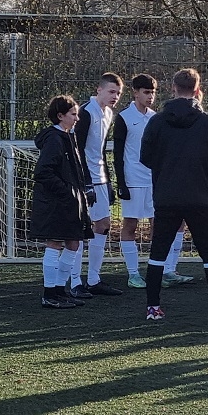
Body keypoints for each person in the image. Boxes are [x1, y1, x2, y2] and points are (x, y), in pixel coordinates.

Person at [139, 68, 208, 321]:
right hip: (200, 196)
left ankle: (153, 307)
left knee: (158, 252)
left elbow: (146, 157)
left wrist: (167, 170)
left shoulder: (157, 121)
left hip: (166, 196)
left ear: (173, 88)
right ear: (198, 90)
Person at [113, 73, 193, 291]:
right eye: (146, 92)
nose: (150, 96)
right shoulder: (124, 118)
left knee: (162, 224)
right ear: (135, 92)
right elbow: (118, 153)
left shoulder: (156, 117)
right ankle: (133, 274)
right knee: (131, 225)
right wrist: (121, 183)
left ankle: (166, 271)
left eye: (153, 92)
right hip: (133, 180)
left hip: (155, 179)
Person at [30, 95, 93, 309]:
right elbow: (43, 173)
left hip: (70, 202)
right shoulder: (54, 139)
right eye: (73, 114)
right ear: (60, 116)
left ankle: (60, 290)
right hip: (56, 202)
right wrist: (67, 192)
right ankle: (49, 294)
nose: (77, 119)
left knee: (73, 243)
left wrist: (80, 193)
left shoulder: (68, 137)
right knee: (55, 243)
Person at [70, 72, 124, 298]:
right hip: (84, 180)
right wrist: (86, 183)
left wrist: (107, 181)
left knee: (103, 225)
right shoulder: (85, 112)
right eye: (111, 91)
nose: (115, 96)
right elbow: (77, 150)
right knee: (80, 229)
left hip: (100, 178)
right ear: (99, 90)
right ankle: (74, 282)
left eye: (118, 93)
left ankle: (93, 279)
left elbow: (100, 150)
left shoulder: (109, 113)